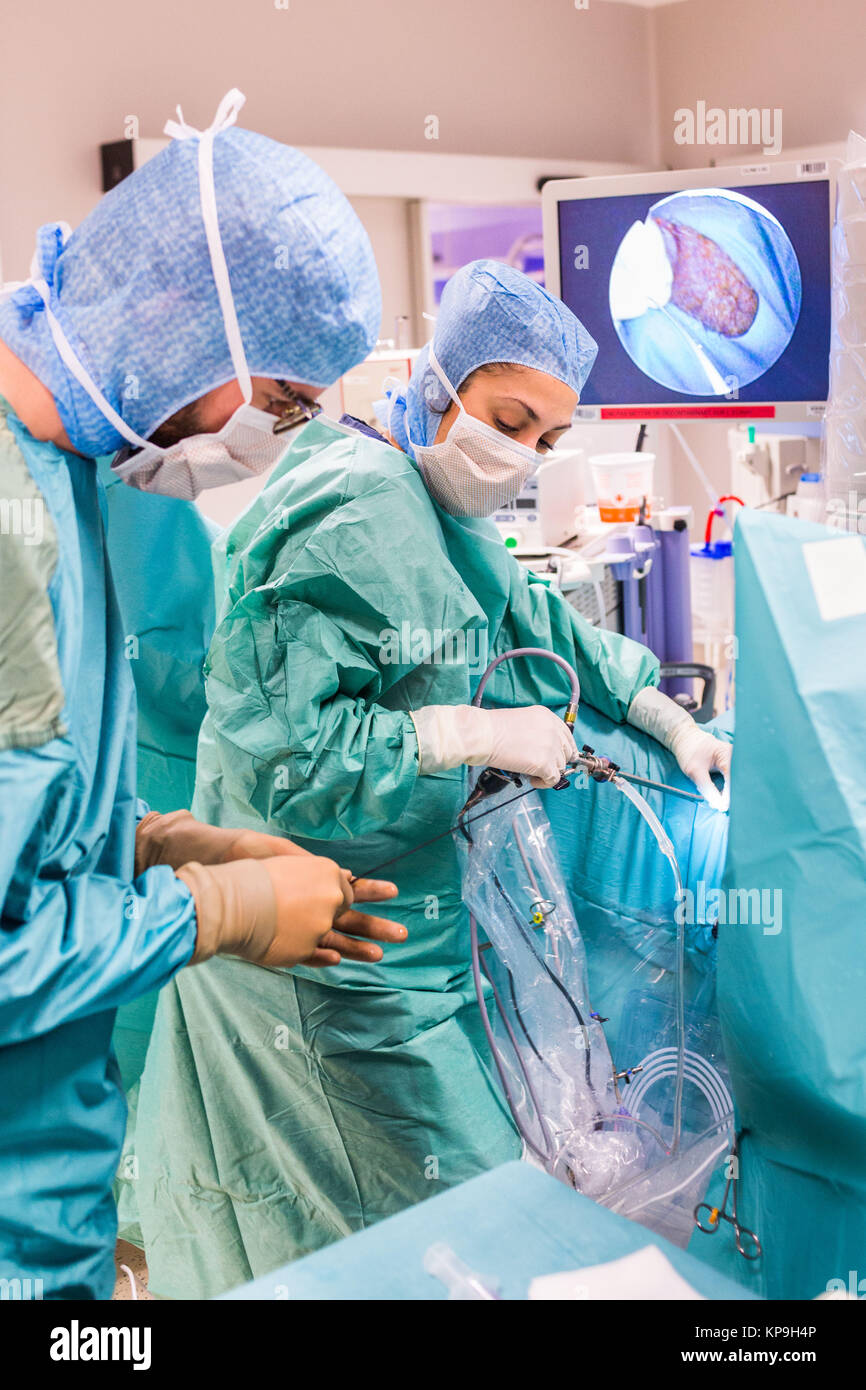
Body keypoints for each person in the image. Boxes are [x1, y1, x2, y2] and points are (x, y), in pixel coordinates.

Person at [129, 258, 732, 1297]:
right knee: (418, 1239)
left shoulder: (429, 501)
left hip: (399, 944)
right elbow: (290, 766)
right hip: (318, 959)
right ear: (439, 382)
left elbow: (531, 617)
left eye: (547, 437)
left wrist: (658, 711)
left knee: (423, 1234)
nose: (523, 453)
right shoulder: (355, 507)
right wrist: (465, 735)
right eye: (508, 417)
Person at [0, 89, 407, 1301]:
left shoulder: (72, 480)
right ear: (181, 321)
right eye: (280, 403)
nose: (281, 438)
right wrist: (207, 913)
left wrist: (150, 845)